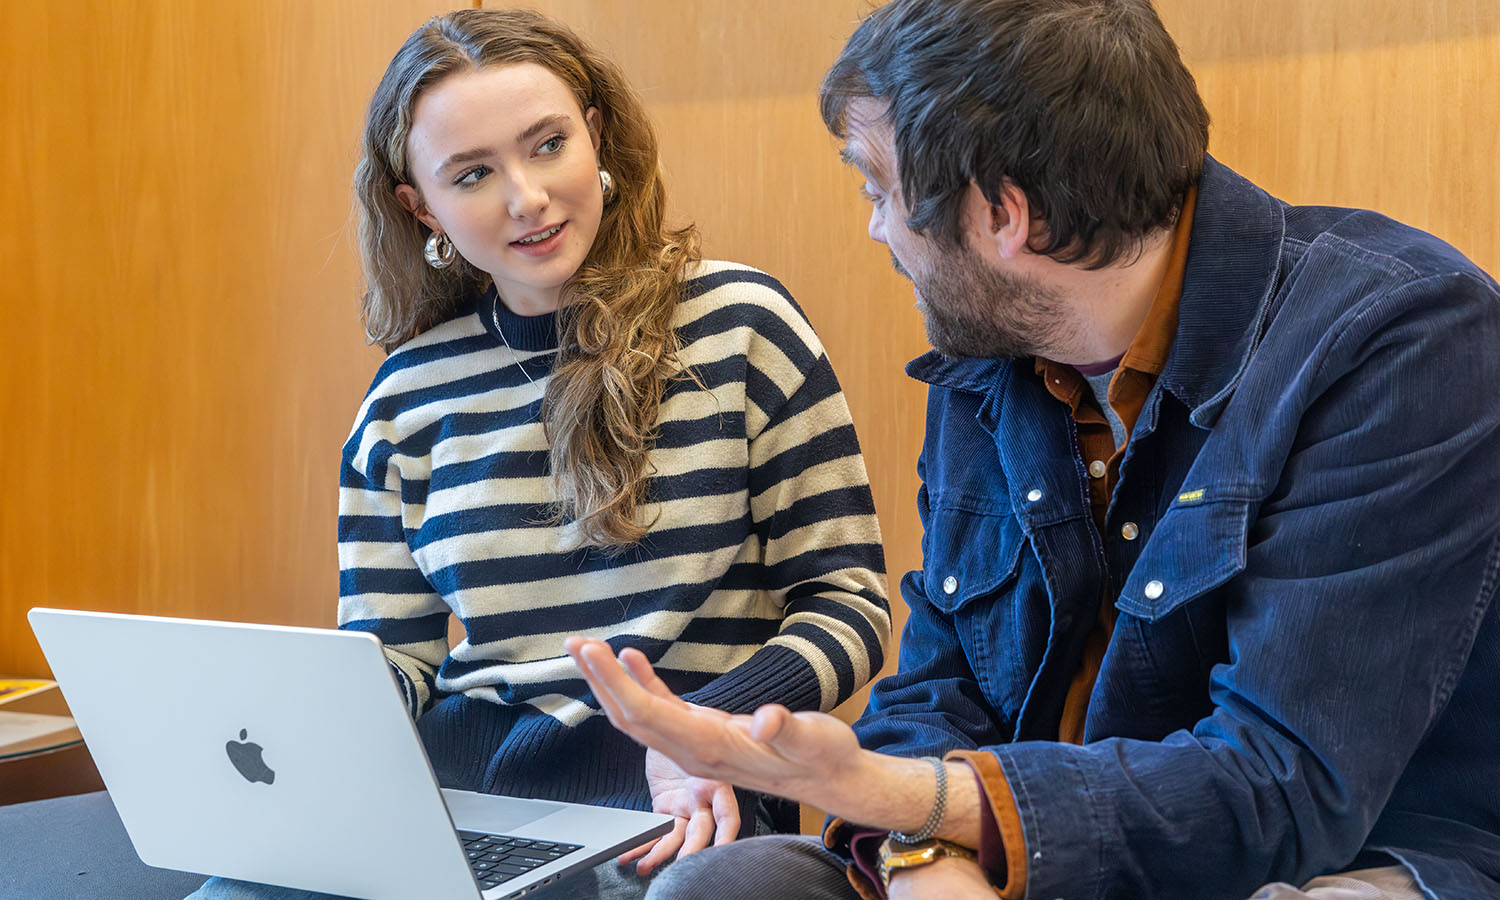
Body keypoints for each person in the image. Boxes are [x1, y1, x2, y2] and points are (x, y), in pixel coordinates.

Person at [566, 1, 1500, 899]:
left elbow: (1283, 784)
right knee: (726, 885)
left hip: (1315, 857)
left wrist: (901, 800)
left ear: (1004, 215)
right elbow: (932, 690)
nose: (877, 229)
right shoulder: (989, 353)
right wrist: (922, 863)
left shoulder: (1398, 337)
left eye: (879, 189)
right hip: (1004, 847)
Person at [188, 8, 890, 900]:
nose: (526, 197)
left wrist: (699, 734)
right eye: (472, 173)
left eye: (547, 144)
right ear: (420, 206)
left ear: (595, 136)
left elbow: (848, 606)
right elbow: (391, 658)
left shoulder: (742, 326)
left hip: (682, 801)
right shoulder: (406, 396)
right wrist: (300, 734)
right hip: (460, 793)